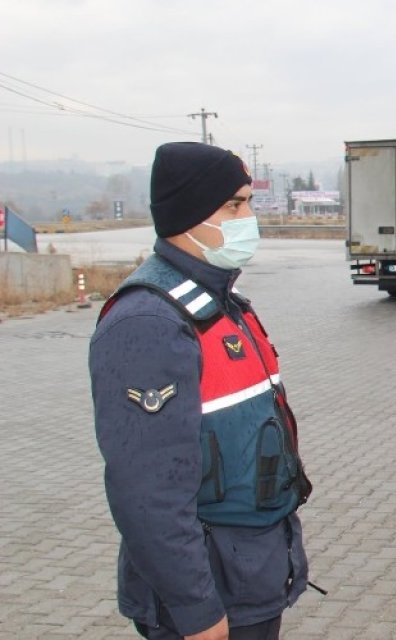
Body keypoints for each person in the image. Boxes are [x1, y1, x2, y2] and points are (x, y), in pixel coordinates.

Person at [90, 142, 313, 640]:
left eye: (248, 203)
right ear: (189, 215)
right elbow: (146, 491)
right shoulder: (149, 323)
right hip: (209, 594)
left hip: (249, 574)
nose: (248, 217)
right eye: (234, 205)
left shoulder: (223, 304)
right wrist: (196, 611)